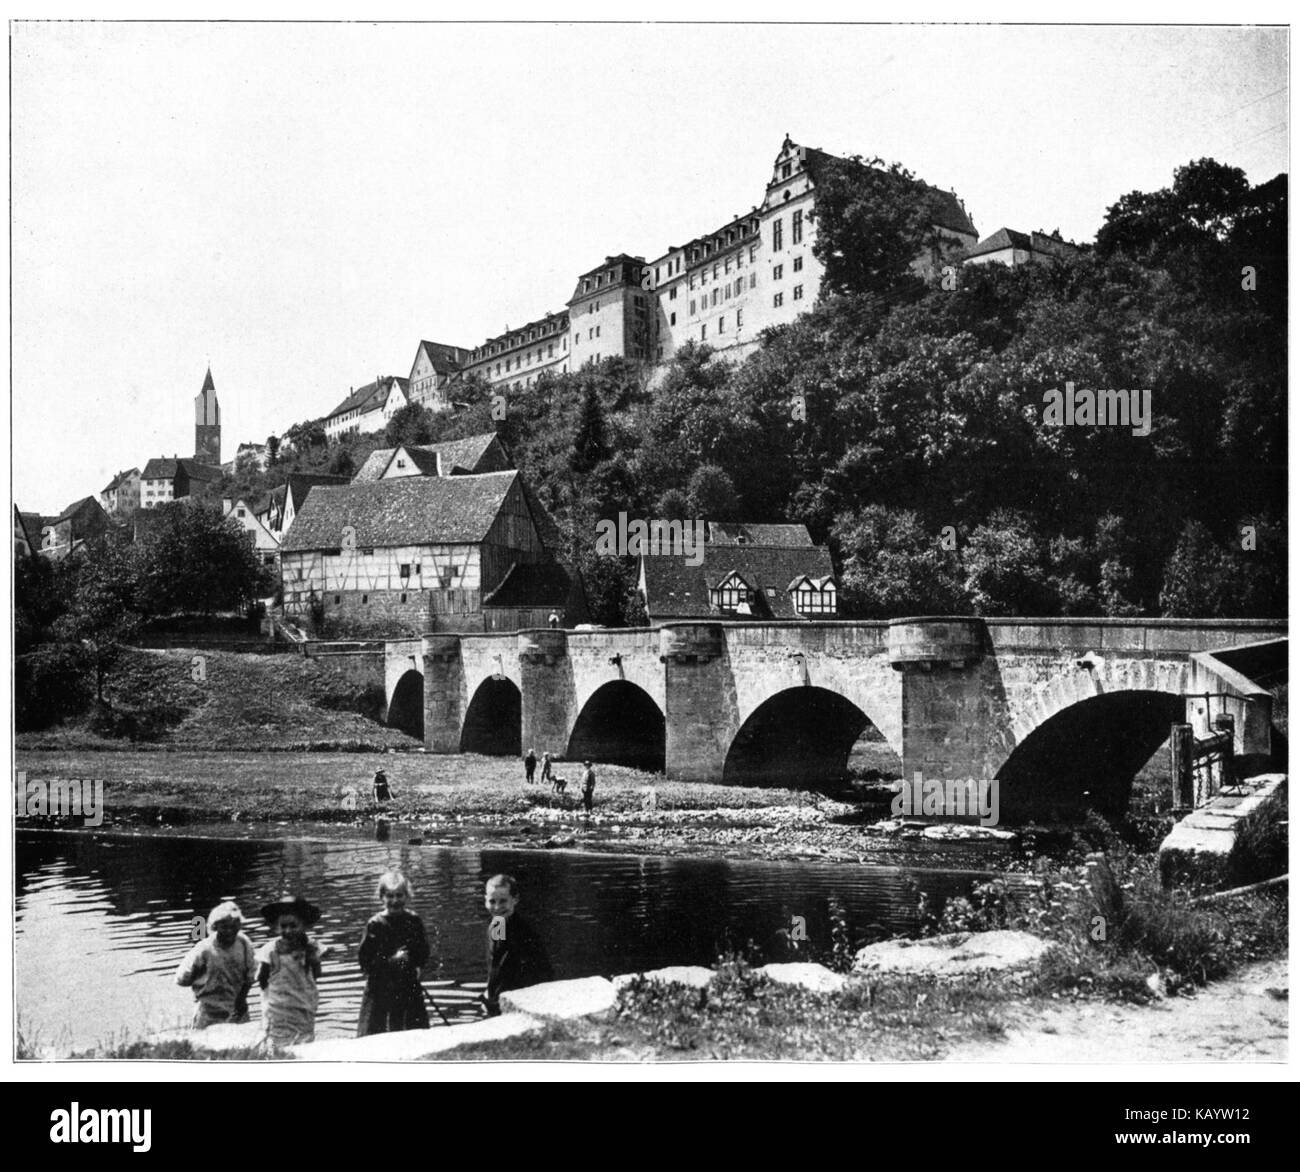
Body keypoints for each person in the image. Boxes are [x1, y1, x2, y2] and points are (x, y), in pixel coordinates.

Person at [356, 871, 432, 1037]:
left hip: (407, 983)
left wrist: (417, 965)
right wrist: (391, 960)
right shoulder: (375, 924)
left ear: (407, 896)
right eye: (390, 896)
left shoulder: (414, 920)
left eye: (399, 895)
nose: (395, 901)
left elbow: (423, 950)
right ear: (382, 897)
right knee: (377, 1033)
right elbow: (365, 961)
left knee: (413, 1031)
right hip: (380, 987)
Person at [175, 900, 257, 1029]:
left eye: (234, 925)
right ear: (215, 927)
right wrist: (202, 979)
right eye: (224, 926)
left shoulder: (244, 943)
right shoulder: (204, 949)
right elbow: (181, 978)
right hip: (209, 1012)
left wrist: (241, 1000)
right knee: (205, 1045)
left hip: (238, 1009)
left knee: (242, 1045)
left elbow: (251, 975)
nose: (230, 931)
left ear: (240, 925)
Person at [256, 895, 323, 1045]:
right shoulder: (271, 950)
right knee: (279, 1042)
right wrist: (271, 997)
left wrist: (313, 959)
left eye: (293, 926)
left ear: (304, 925)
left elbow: (317, 974)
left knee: (304, 1041)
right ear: (277, 926)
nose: (288, 930)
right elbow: (262, 978)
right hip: (279, 1007)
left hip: (303, 1004)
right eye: (283, 926)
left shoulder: (311, 947)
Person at [483, 874, 553, 1017]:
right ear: (485, 900)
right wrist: (488, 993)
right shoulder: (498, 923)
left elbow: (538, 974)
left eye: (503, 901)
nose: (497, 907)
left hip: (521, 1004)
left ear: (515, 900)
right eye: (492, 901)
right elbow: (496, 963)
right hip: (501, 1000)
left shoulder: (523, 932)